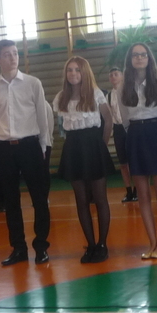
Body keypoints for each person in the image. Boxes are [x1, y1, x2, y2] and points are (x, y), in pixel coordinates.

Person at [0, 39, 52, 266]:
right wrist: (3, 138)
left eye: (15, 53)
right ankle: (18, 248)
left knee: (39, 198)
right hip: (5, 148)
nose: (13, 57)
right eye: (7, 54)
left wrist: (43, 145)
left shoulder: (33, 83)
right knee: (10, 201)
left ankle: (41, 247)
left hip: (30, 146)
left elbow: (42, 117)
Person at [54, 57, 115, 263]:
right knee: (81, 200)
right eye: (70, 70)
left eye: (77, 70)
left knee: (100, 198)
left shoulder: (95, 94)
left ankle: (102, 244)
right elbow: (62, 127)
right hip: (73, 147)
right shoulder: (61, 97)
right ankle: (90, 244)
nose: (73, 74)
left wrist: (101, 146)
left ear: (85, 73)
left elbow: (108, 120)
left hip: (94, 145)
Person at [121, 42, 157, 260]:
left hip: (156, 134)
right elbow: (124, 119)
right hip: (135, 135)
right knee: (142, 194)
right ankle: (152, 241)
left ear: (149, 58)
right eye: (135, 55)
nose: (139, 58)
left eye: (143, 54)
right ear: (130, 59)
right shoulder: (123, 86)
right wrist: (137, 134)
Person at [108, 66, 135, 203]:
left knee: (133, 161)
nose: (113, 77)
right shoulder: (108, 96)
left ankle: (137, 189)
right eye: (111, 75)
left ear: (122, 76)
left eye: (116, 74)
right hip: (118, 129)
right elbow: (109, 115)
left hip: (130, 127)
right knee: (123, 163)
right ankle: (128, 190)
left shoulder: (128, 91)